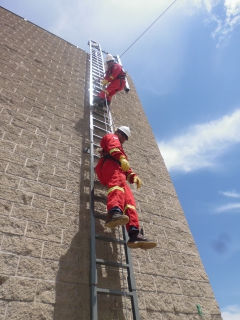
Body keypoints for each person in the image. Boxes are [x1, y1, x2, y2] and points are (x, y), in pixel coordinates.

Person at [95, 126, 157, 249]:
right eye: (123, 136)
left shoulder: (119, 150)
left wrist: (134, 176)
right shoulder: (112, 137)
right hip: (109, 166)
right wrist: (121, 156)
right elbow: (114, 147)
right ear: (119, 133)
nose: (124, 139)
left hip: (117, 168)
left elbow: (124, 166)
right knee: (117, 185)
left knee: (129, 202)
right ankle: (113, 213)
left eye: (125, 138)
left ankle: (134, 233)